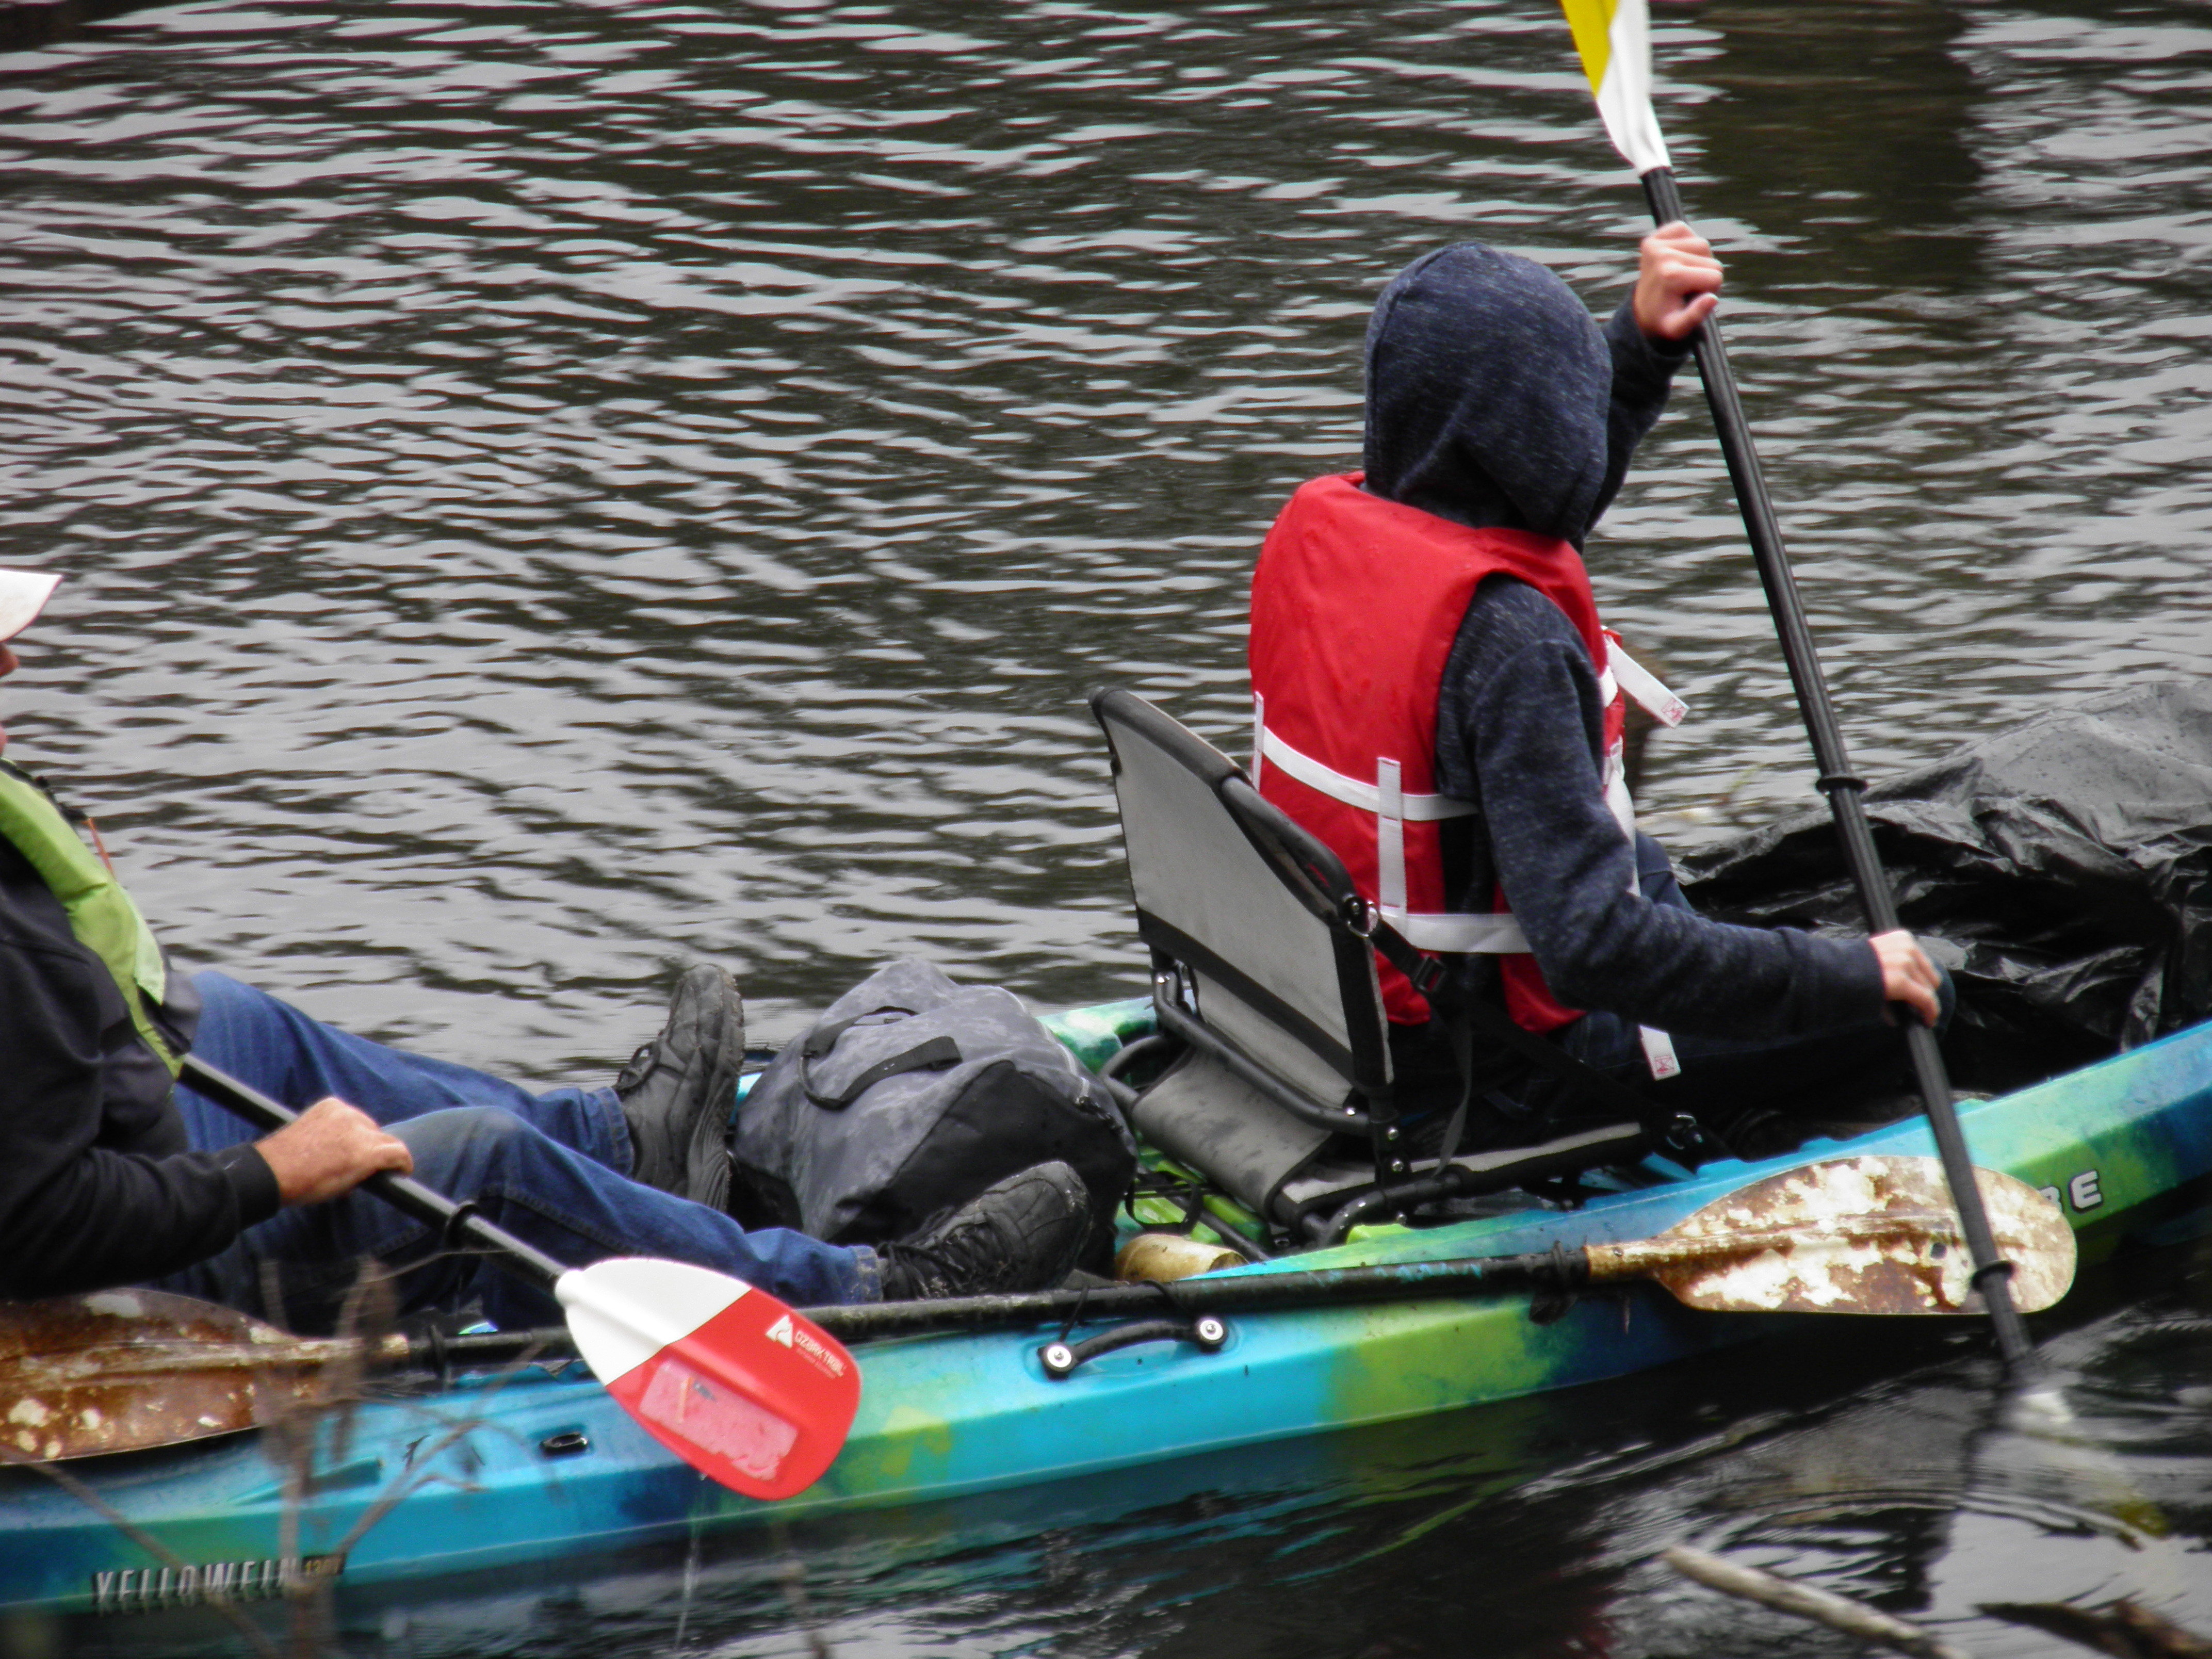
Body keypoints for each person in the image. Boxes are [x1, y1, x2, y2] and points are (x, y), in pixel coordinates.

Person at [0, 569, 1090, 1331]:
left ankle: (625, 1146)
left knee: (234, 1024)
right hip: (114, 1283)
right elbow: (44, 1226)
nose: (10, 660)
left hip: (101, 1157)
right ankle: (870, 1295)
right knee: (482, 1164)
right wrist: (269, 1172)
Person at [1246, 225, 1948, 1158]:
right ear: (1534, 437)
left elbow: (1527, 486)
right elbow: (1593, 950)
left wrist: (1642, 347)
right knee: (1928, 996)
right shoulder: (1512, 643)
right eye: (1566, 409)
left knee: (1694, 897)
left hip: (1354, 996)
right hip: (1494, 1067)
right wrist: (1848, 979)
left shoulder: (1335, 531)